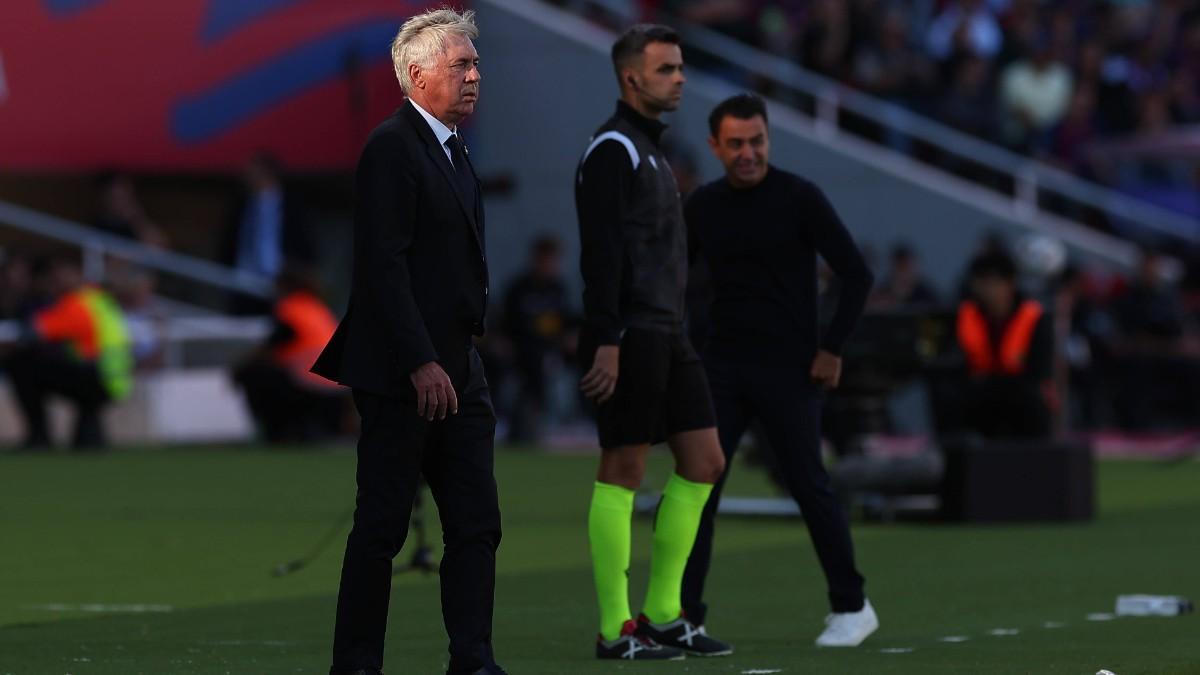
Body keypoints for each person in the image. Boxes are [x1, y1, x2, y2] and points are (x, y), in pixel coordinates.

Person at [310, 9, 505, 675]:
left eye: (475, 64)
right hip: (405, 373)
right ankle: (357, 665)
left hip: (459, 366)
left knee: (477, 523)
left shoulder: (450, 147)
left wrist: (460, 355)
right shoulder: (392, 148)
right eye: (462, 65)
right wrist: (421, 360)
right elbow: (382, 268)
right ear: (418, 73)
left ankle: (473, 660)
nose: (476, 75)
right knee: (383, 527)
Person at [682, 93, 879, 648]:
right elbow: (671, 277)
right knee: (699, 489)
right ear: (716, 147)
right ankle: (686, 616)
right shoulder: (701, 206)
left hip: (790, 369)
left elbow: (857, 275)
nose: (748, 153)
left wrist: (832, 348)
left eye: (757, 141)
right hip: (721, 366)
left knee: (809, 486)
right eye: (737, 144)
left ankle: (853, 606)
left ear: (770, 139)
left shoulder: (799, 197)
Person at [575, 24, 730, 661]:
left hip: (669, 332)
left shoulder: (652, 151)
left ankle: (664, 612)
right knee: (624, 470)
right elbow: (601, 255)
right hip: (633, 332)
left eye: (681, 68)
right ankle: (616, 629)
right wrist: (606, 339)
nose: (680, 79)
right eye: (667, 69)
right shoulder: (613, 149)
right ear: (631, 77)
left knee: (706, 462)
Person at [2, 254, 133, 449]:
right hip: (115, 379)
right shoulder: (99, 299)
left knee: (22, 366)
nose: (57, 281)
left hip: (96, 377)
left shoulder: (76, 304)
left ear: (77, 275)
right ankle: (88, 437)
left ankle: (39, 437)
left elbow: (36, 331)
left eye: (61, 276)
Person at [233, 267, 345, 443]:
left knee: (252, 374)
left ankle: (275, 432)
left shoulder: (290, 308)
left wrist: (238, 368)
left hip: (308, 382)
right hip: (336, 382)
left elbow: (273, 345)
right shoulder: (317, 307)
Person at [956, 250, 1055, 438]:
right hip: (980, 392)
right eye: (982, 282)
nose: (987, 290)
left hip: (1021, 392)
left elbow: (1040, 370)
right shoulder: (966, 315)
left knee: (1032, 401)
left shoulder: (1033, 316)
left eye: (993, 282)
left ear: (1010, 284)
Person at [499, 235, 573, 443]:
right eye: (545, 260)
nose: (549, 265)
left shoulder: (558, 290)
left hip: (552, 352)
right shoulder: (518, 289)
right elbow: (505, 325)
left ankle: (572, 422)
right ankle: (520, 426)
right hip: (522, 351)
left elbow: (567, 323)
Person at [223, 153, 314, 314]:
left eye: (253, 172)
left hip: (279, 280)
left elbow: (305, 244)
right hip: (244, 281)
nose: (248, 177)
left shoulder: (292, 207)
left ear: (268, 173)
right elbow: (228, 243)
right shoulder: (242, 204)